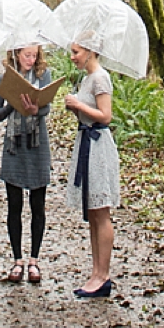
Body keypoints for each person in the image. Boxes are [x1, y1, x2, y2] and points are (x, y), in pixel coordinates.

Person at [63, 42, 120, 298]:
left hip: (98, 146)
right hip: (85, 143)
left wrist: (79, 106)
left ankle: (103, 274)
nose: (73, 57)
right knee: (93, 212)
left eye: (76, 52)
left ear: (91, 51)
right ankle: (95, 272)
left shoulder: (100, 78)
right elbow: (87, 114)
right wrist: (76, 109)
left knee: (101, 210)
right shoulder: (87, 79)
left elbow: (105, 116)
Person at [0, 41, 53, 284]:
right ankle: (17, 259)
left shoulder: (43, 76)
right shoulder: (3, 80)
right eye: (27, 55)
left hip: (37, 144)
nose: (31, 59)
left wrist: (33, 108)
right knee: (14, 205)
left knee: (38, 204)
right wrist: (13, 105)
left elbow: (46, 107)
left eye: (34, 55)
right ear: (16, 54)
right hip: (14, 144)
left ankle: (34, 260)